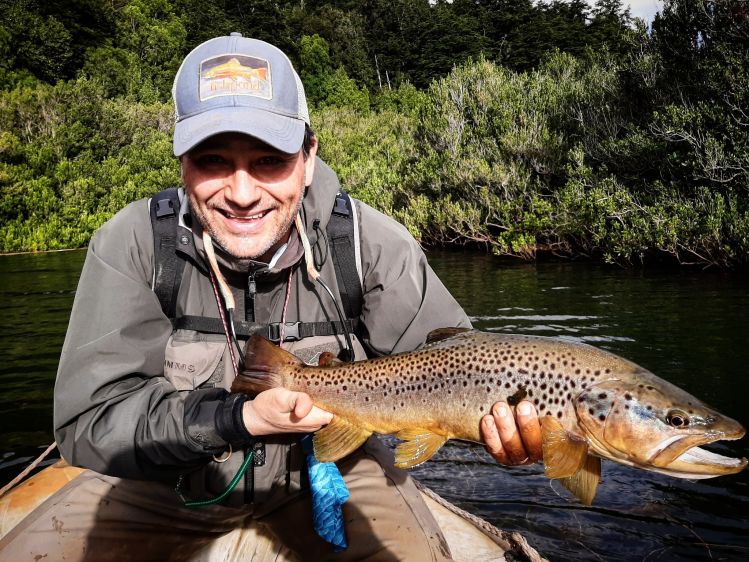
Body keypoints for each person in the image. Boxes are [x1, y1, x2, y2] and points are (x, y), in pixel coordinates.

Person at [0, 34, 541, 561]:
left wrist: (500, 430)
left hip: (336, 474)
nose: (241, 192)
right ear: (182, 162)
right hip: (170, 480)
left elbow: (457, 365)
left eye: (268, 160)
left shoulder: (371, 245)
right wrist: (236, 419)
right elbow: (92, 423)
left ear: (308, 157)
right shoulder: (134, 244)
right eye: (213, 160)